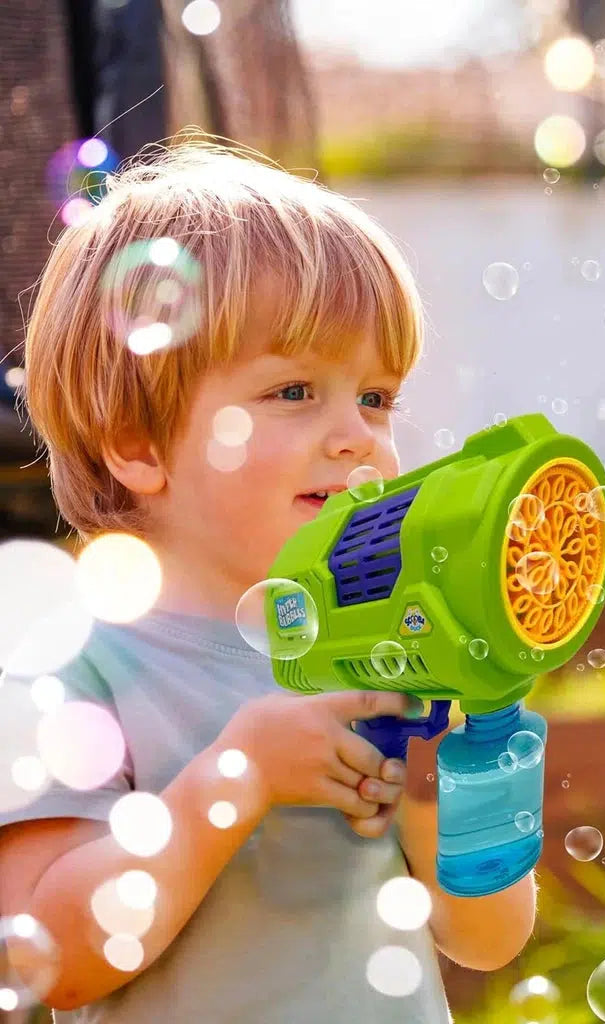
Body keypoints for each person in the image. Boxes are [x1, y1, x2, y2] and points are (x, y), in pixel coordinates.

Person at [0, 132, 537, 1023]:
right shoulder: (70, 664)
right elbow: (49, 954)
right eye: (294, 392)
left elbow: (486, 938)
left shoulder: (387, 648)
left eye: (374, 397)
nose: (356, 436)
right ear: (135, 441)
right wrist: (235, 778)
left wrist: (453, 782)